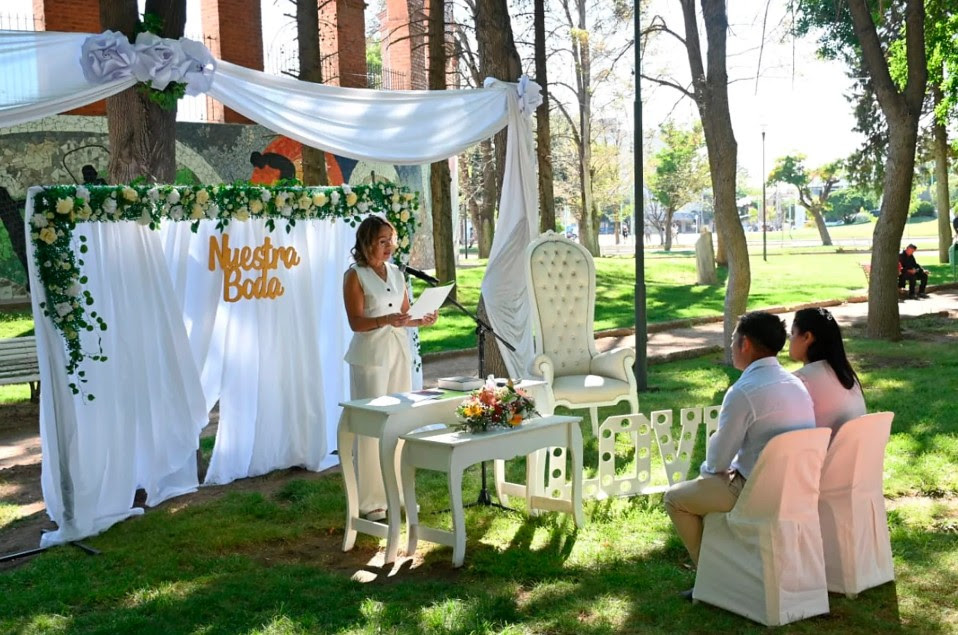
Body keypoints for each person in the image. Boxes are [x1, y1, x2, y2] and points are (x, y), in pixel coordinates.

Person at [664, 312, 814, 592]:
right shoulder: (796, 384)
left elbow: (717, 461)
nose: (730, 346)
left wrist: (711, 473)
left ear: (744, 344)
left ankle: (714, 580)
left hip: (756, 493)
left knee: (676, 499)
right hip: (798, 488)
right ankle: (729, 568)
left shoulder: (743, 391)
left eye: (732, 340)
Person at [342, 215, 438, 521]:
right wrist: (386, 320)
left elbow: (404, 314)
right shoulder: (355, 275)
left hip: (398, 352)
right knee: (372, 430)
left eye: (391, 240)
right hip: (370, 357)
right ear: (367, 242)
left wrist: (420, 319)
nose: (389, 246)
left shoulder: (397, 273)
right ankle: (371, 503)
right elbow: (356, 322)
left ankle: (397, 496)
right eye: (382, 241)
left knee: (398, 424)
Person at [789, 308, 866, 436]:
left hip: (824, 454)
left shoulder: (801, 381)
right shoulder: (846, 374)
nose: (790, 339)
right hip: (856, 454)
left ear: (807, 337)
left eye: (792, 333)